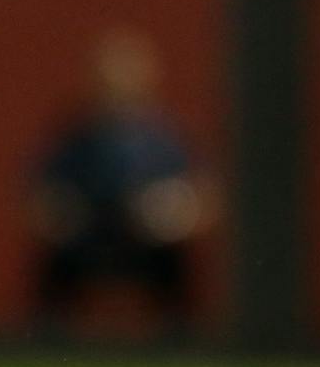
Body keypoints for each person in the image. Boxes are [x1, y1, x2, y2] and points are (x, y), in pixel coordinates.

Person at [30, 29, 206, 335]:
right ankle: (48, 349)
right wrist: (59, 213)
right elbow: (40, 195)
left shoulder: (165, 139)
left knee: (175, 268)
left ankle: (180, 347)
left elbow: (201, 197)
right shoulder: (75, 138)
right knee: (54, 269)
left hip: (148, 243)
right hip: (88, 239)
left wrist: (172, 215)